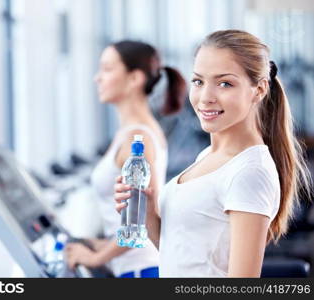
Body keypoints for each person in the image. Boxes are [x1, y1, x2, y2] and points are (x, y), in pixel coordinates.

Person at [114, 30, 312, 277]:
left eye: (224, 83)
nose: (205, 97)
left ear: (259, 90)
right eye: (198, 81)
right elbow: (180, 255)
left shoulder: (249, 172)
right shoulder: (208, 156)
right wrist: (148, 211)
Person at [65, 40, 186, 278]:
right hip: (135, 266)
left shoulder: (136, 138)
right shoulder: (132, 132)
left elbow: (138, 220)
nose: (97, 78)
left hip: (142, 270)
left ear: (134, 79)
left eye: (107, 69)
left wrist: (95, 257)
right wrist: (99, 244)